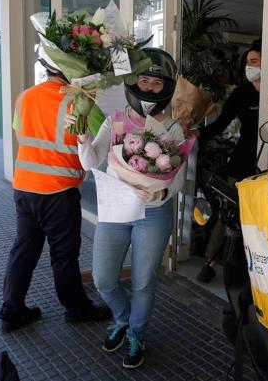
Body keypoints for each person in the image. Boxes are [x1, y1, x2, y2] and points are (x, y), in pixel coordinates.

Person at [75, 48, 184, 369]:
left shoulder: (175, 128)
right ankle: (122, 319)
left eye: (156, 83)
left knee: (143, 281)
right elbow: (90, 162)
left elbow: (178, 180)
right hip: (116, 209)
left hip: (154, 212)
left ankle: (137, 333)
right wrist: (83, 139)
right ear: (133, 81)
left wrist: (158, 191)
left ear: (167, 87)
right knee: (103, 279)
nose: (149, 88)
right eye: (144, 80)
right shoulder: (116, 120)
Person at [0, 50, 111, 333]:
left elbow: (20, 136)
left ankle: (11, 310)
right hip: (59, 191)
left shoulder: (24, 97)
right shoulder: (81, 102)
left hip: (24, 188)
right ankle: (76, 308)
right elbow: (107, 137)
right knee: (63, 254)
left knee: (24, 248)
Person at [195, 40, 261, 283]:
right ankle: (210, 262)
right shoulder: (242, 93)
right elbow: (221, 123)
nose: (249, 66)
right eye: (248, 62)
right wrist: (196, 133)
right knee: (229, 213)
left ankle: (254, 270)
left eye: (255, 62)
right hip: (243, 160)